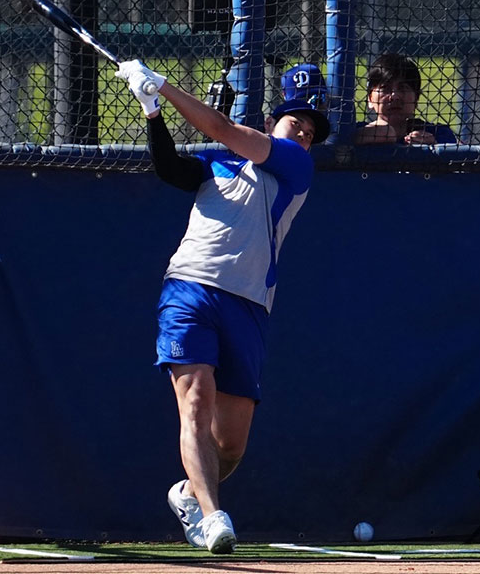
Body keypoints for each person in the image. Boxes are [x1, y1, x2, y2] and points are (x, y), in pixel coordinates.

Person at [114, 60, 329, 554]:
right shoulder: (217, 163)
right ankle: (213, 519)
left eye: (311, 131)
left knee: (230, 445)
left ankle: (190, 495)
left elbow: (221, 126)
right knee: (195, 402)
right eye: (295, 122)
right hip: (190, 288)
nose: (303, 133)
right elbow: (170, 168)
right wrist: (152, 112)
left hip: (250, 304)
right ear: (275, 120)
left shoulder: (296, 166)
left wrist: (163, 86)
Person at [354, 53, 457, 145]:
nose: (395, 96)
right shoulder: (353, 131)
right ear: (370, 99)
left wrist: (433, 145)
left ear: (416, 98)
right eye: (385, 88)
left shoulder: (438, 133)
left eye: (403, 88)